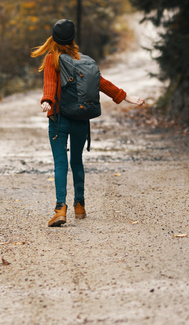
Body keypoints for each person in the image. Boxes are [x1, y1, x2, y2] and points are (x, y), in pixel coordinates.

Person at [31, 19, 146, 227]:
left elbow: (49, 83)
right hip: (81, 120)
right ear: (73, 38)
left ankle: (60, 209)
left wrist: (47, 101)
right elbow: (101, 83)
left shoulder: (52, 59)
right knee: (76, 162)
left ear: (53, 38)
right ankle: (80, 205)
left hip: (59, 119)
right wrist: (125, 97)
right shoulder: (83, 60)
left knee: (60, 163)